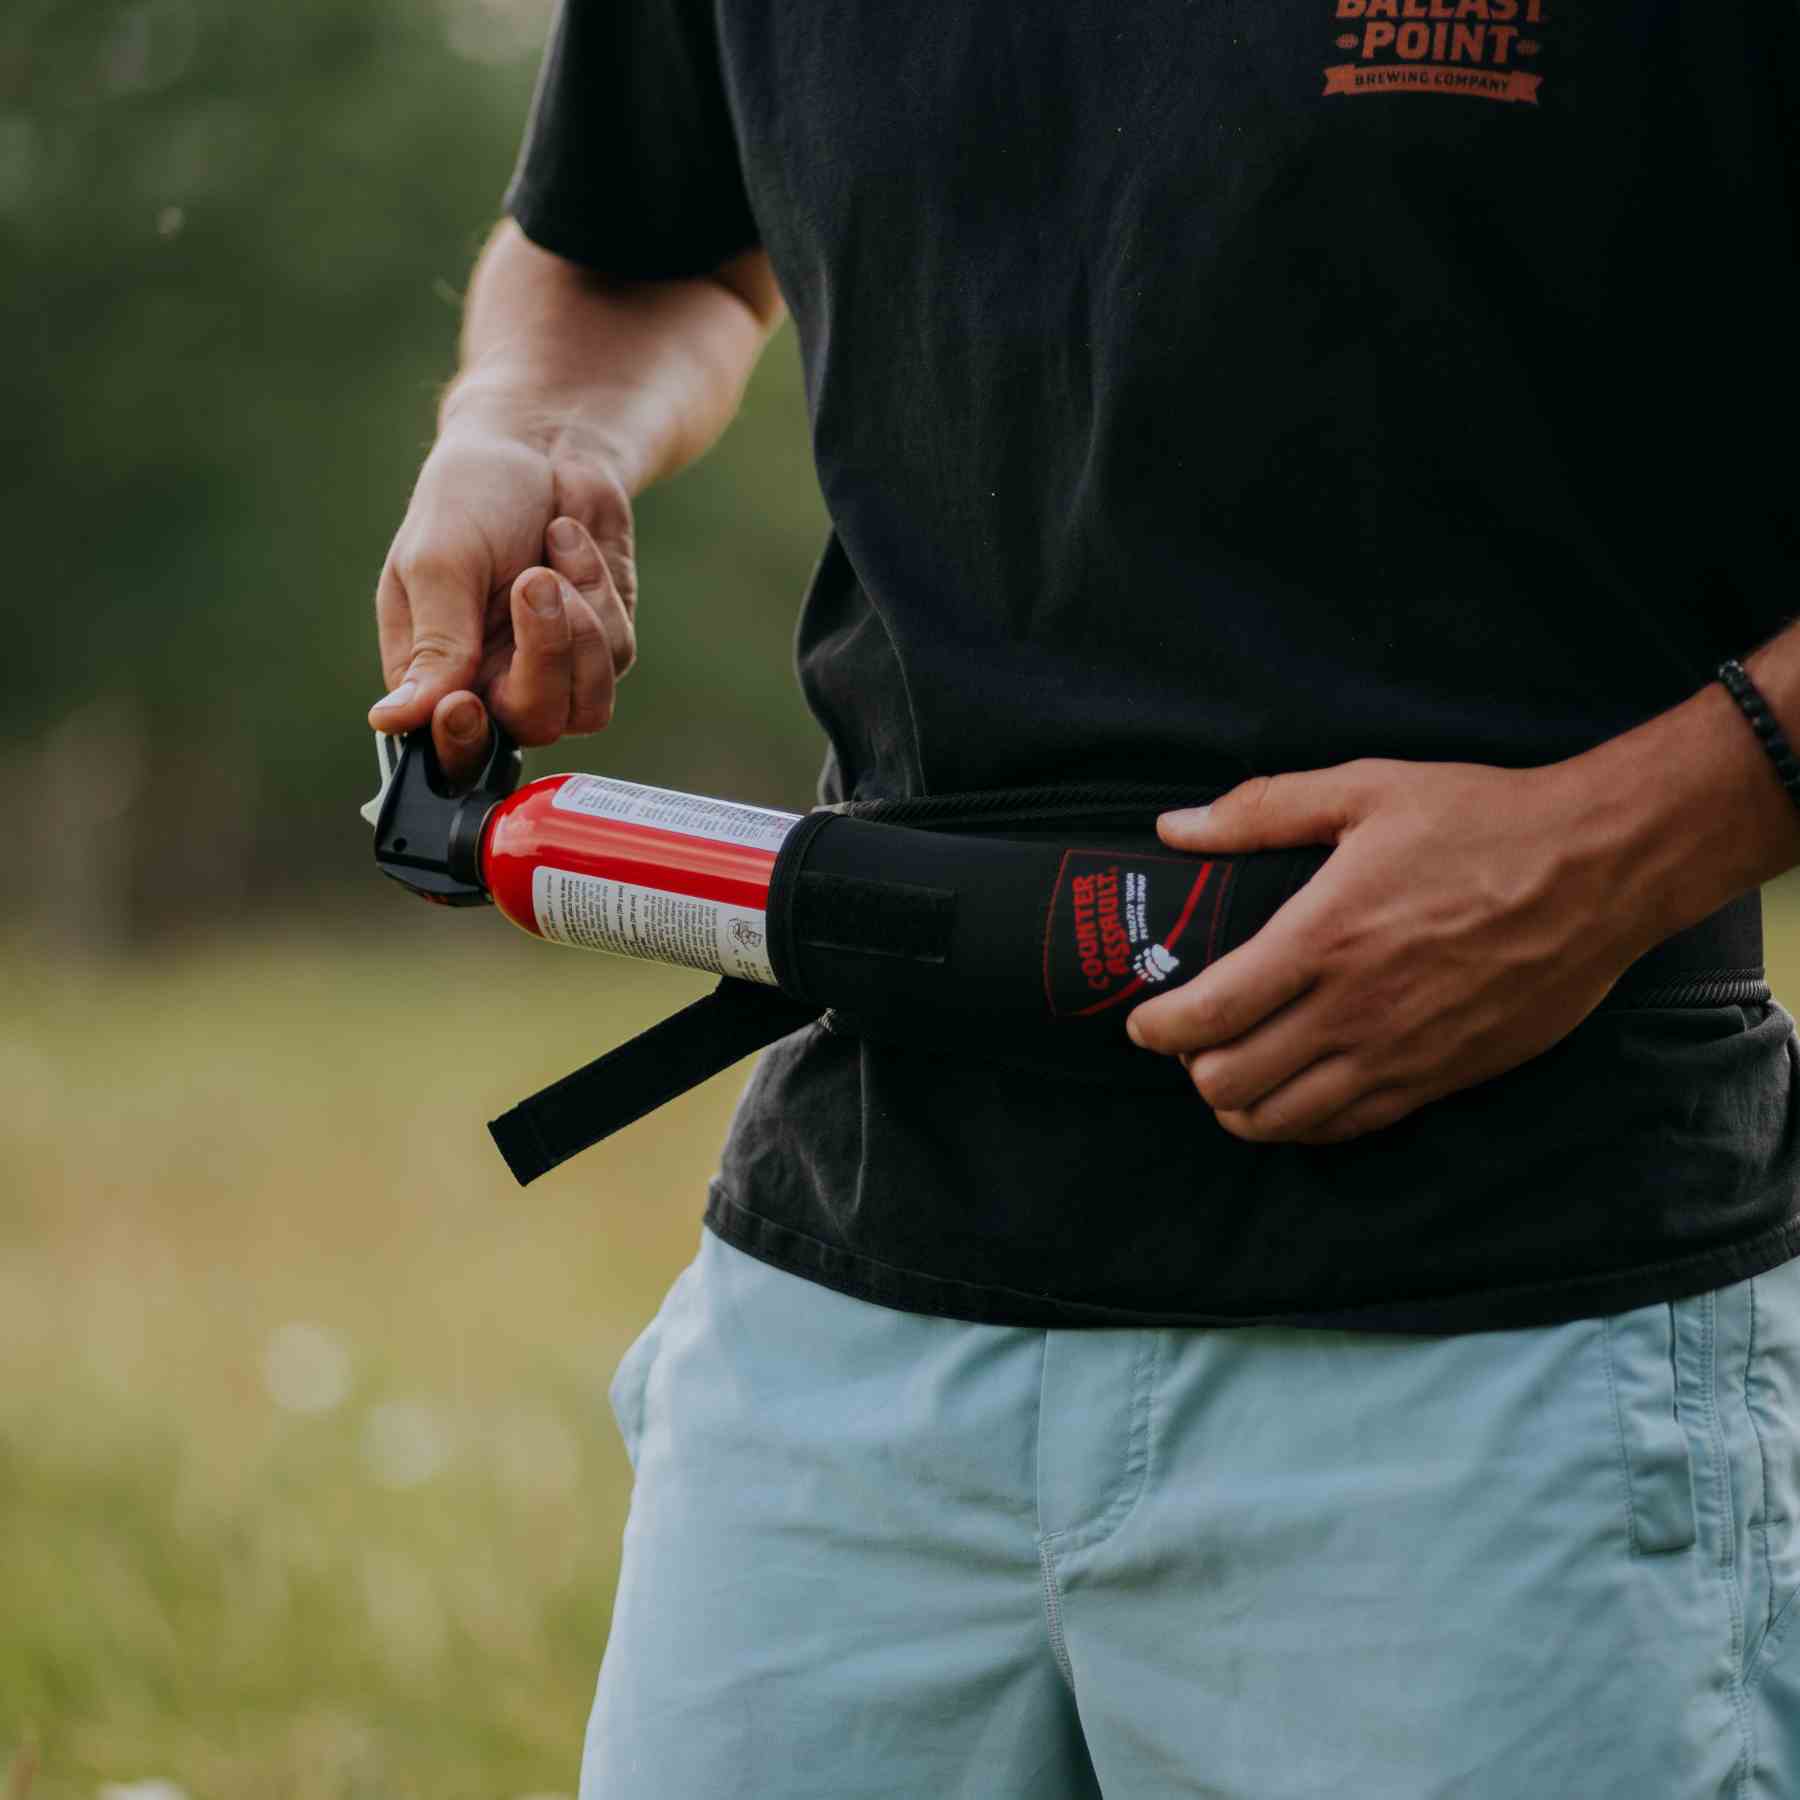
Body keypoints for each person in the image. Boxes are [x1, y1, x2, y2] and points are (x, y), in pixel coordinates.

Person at [368, 2, 1800, 1792]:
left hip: (1504, 1337)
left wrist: (1625, 842)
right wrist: (530, 427)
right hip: (848, 1315)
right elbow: (627, 244)